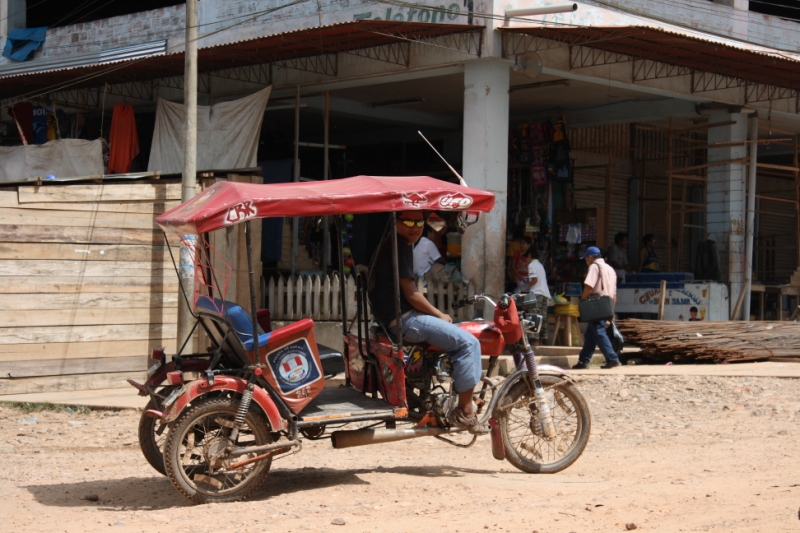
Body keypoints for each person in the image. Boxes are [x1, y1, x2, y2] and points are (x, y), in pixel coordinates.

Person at [371, 211, 487, 434]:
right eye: (408, 222)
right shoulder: (400, 246)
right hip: (405, 320)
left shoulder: (392, 244)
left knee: (456, 337)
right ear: (396, 223)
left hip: (394, 319)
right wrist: (439, 314)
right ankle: (466, 412)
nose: (414, 227)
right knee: (469, 343)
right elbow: (412, 294)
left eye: (418, 222)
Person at [572, 246, 621, 370]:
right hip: (608, 303)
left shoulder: (594, 266)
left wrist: (582, 301)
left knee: (598, 331)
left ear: (589, 257)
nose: (586, 261)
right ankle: (583, 361)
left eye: (586, 259)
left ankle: (612, 358)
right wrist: (612, 311)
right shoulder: (610, 269)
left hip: (596, 304)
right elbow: (614, 294)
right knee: (591, 333)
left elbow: (589, 286)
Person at [520, 250, 551, 346]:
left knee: (534, 318)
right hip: (544, 294)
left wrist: (524, 288)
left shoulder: (532, 265)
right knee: (542, 318)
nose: (526, 260)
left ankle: (535, 341)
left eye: (526, 258)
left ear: (529, 256)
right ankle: (542, 341)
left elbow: (534, 280)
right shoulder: (540, 265)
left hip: (536, 294)